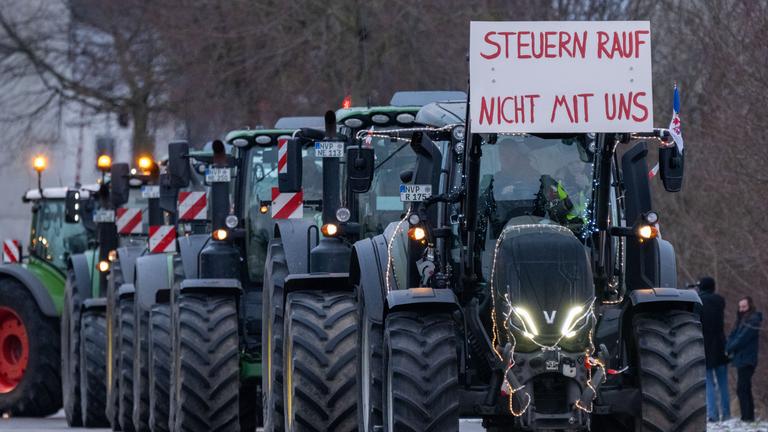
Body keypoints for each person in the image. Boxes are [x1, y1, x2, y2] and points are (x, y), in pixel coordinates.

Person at [698, 277, 730, 422]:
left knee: (709, 382)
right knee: (723, 382)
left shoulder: (699, 301)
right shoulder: (720, 300)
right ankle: (726, 413)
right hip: (721, 344)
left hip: (705, 345)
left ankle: (712, 414)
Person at [726, 296, 762, 422]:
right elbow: (733, 335)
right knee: (744, 387)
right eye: (740, 307)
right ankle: (747, 416)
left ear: (750, 306)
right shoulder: (742, 320)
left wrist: (729, 348)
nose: (741, 309)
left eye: (744, 307)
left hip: (748, 359)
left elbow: (742, 338)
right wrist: (728, 346)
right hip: (742, 358)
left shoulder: (753, 320)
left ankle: (747, 417)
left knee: (742, 388)